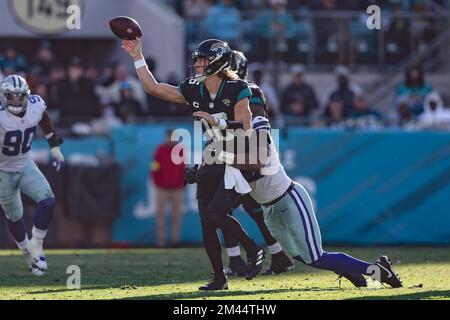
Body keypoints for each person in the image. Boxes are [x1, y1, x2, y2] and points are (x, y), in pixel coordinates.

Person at [195, 91, 403, 290]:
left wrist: (221, 158)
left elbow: (255, 163)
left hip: (288, 199)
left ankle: (377, 270)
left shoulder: (258, 124)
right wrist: (200, 171)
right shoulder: (233, 133)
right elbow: (224, 166)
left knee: (315, 256)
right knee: (299, 255)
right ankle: (347, 268)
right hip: (269, 210)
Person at [122, 37, 264, 290]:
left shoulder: (238, 88)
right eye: (197, 59)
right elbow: (154, 88)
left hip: (236, 157)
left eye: (202, 59)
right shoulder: (192, 87)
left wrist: (217, 121)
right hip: (212, 155)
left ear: (218, 61)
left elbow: (245, 128)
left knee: (216, 213)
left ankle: (253, 247)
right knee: (206, 223)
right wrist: (137, 57)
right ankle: (219, 278)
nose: (197, 64)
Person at [187, 50, 294, 276]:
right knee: (240, 208)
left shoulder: (246, 91)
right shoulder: (214, 90)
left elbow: (252, 124)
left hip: (245, 152)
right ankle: (268, 255)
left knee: (243, 208)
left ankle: (257, 255)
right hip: (227, 149)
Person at [0, 75, 65, 275]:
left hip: (25, 163)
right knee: (15, 216)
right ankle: (27, 253)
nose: (17, 101)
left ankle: (36, 243)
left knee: (48, 201)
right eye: (13, 96)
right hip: (2, 171)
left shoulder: (35, 104)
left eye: (21, 96)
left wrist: (53, 144)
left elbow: (43, 117)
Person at [151, 130, 185, 247]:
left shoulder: (179, 150)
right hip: (162, 188)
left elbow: (183, 168)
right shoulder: (160, 149)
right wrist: (157, 182)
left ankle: (175, 240)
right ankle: (161, 241)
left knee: (177, 216)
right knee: (160, 215)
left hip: (177, 189)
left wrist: (181, 183)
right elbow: (155, 166)